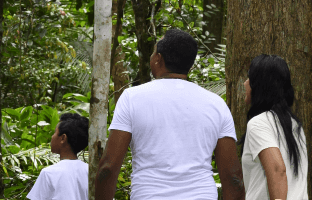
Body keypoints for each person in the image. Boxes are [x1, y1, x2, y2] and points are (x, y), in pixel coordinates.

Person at [94, 29, 245, 200]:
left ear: (158, 59)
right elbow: (234, 179)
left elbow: (107, 168)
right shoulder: (216, 104)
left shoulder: (132, 98)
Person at [241, 54, 307, 200]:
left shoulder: (259, 123)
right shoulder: (295, 125)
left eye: (249, 77)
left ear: (258, 86)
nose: (246, 83)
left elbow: (277, 170)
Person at [27, 113, 90, 200]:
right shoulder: (91, 171)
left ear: (63, 138)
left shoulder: (48, 173)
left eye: (54, 133)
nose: (52, 137)